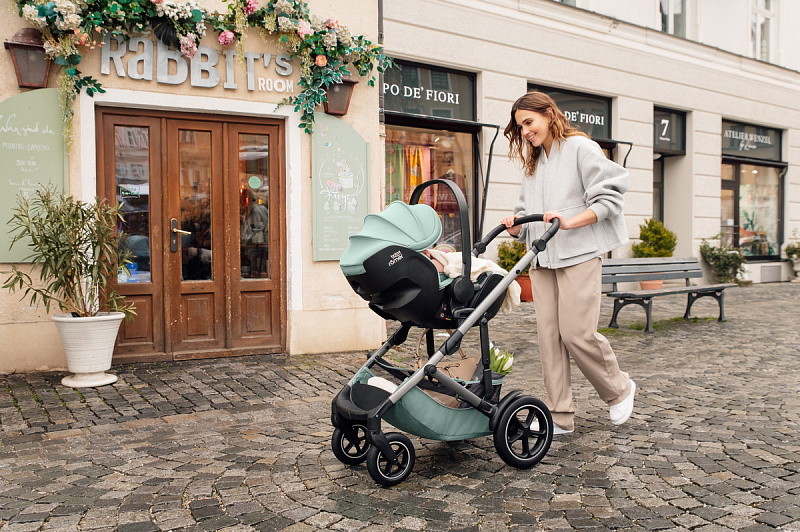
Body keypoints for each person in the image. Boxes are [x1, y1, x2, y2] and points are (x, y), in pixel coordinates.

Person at [500, 91, 636, 435]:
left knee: (576, 333)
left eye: (529, 122)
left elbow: (610, 196)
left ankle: (619, 389)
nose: (525, 132)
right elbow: (526, 210)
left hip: (579, 254)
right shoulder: (534, 163)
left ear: (549, 114)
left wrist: (570, 221)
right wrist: (518, 226)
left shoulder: (580, 148)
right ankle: (560, 414)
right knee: (549, 338)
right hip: (542, 258)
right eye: (520, 127)